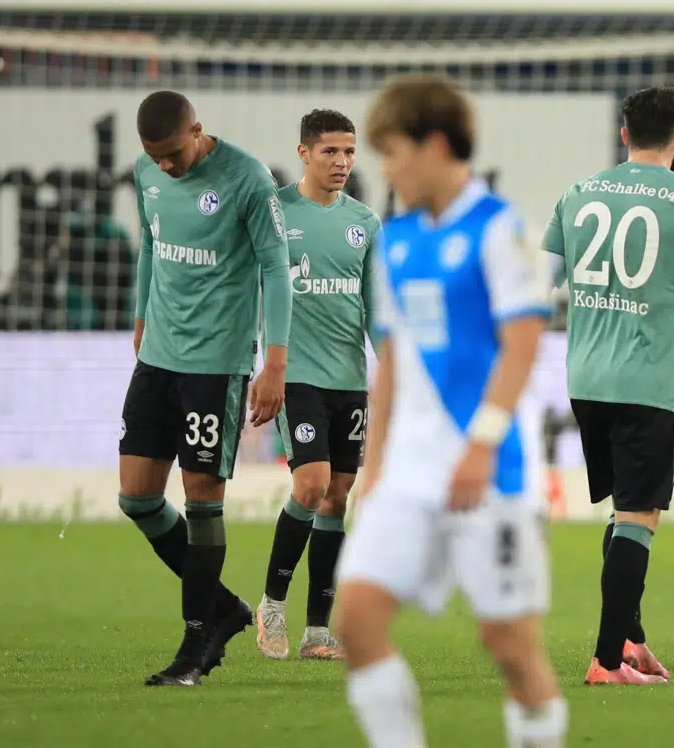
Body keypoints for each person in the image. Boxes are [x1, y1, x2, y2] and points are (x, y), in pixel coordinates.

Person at [332, 75, 567, 747]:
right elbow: (392, 368)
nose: (385, 167)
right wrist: (372, 471)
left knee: (511, 644)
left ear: (436, 144)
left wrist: (483, 443)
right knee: (357, 618)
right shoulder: (393, 241)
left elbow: (522, 346)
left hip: (492, 473)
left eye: (393, 150)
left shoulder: (499, 229)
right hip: (409, 472)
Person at [542, 84, 674, 686]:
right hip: (646, 382)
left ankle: (631, 642)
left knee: (622, 513)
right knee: (638, 516)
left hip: (585, 379)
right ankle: (607, 663)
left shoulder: (579, 194)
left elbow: (536, 282)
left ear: (624, 133)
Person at [117, 90, 291, 686]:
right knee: (136, 497)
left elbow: (275, 267)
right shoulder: (147, 171)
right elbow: (149, 243)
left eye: (172, 153)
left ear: (197, 129)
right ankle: (223, 608)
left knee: (201, 500)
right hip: (159, 358)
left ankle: (196, 645)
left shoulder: (247, 179)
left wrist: (274, 363)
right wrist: (141, 315)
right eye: (154, 157)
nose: (164, 166)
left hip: (216, 364)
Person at [256, 109, 382, 662]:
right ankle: (272, 604)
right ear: (304, 152)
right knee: (310, 485)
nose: (342, 162)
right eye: (331, 151)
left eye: (350, 152)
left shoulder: (365, 224)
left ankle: (316, 631)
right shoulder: (276, 214)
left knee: (336, 497)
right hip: (298, 374)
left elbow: (376, 310)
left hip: (348, 379)